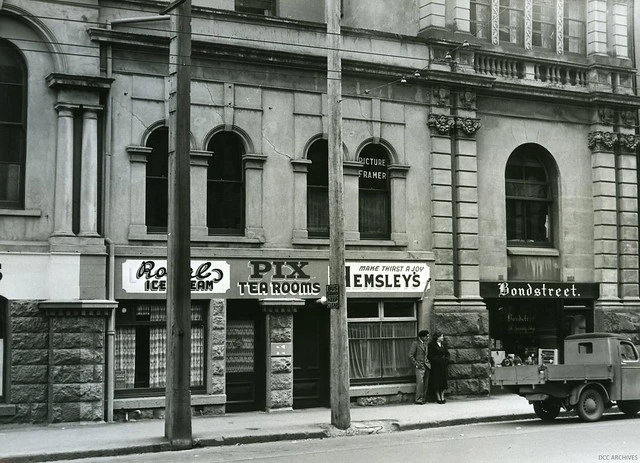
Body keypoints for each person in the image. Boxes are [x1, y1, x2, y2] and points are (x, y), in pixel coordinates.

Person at [428, 331, 450, 404]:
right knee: (437, 381)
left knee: (443, 381)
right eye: (441, 336)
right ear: (437, 337)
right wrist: (437, 359)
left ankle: (442, 395)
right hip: (436, 366)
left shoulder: (444, 344)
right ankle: (438, 397)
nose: (442, 338)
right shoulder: (431, 345)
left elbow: (447, 354)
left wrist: (446, 360)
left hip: (443, 365)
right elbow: (430, 355)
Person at [408, 329, 430, 404]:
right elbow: (410, 355)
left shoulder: (426, 344)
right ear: (422, 337)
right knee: (420, 383)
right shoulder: (416, 343)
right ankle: (418, 399)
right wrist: (416, 364)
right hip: (419, 366)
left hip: (427, 366)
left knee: (425, 384)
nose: (428, 338)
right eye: (427, 336)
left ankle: (423, 398)